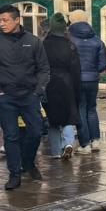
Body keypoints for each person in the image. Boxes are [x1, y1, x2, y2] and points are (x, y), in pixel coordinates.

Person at [0, 5, 50, 190]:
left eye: (5, 20)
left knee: (36, 132)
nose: (2, 24)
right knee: (11, 136)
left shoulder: (34, 41)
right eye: (0, 20)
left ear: (17, 20)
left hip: (30, 96)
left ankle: (28, 162)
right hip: (7, 97)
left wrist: (37, 91)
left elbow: (44, 69)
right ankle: (14, 174)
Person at [41, 13, 82, 161]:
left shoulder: (43, 45)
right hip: (67, 82)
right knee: (68, 116)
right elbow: (76, 70)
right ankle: (68, 143)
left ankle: (55, 151)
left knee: (52, 119)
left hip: (49, 83)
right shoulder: (70, 45)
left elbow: (38, 65)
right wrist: (77, 90)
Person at [68, 9, 106, 153]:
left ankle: (85, 144)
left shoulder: (69, 39)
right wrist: (94, 71)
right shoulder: (97, 40)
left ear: (71, 20)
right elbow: (104, 63)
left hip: (76, 80)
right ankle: (95, 140)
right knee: (91, 108)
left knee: (80, 110)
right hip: (92, 79)